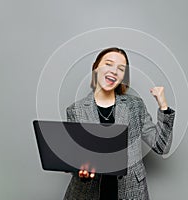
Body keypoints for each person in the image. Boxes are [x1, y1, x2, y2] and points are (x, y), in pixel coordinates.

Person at [64, 47, 175, 200]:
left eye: (121, 69)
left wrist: (163, 106)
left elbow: (162, 146)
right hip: (88, 192)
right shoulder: (75, 110)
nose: (114, 71)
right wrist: (80, 170)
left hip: (130, 191)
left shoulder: (135, 106)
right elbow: (76, 157)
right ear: (96, 68)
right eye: (108, 64)